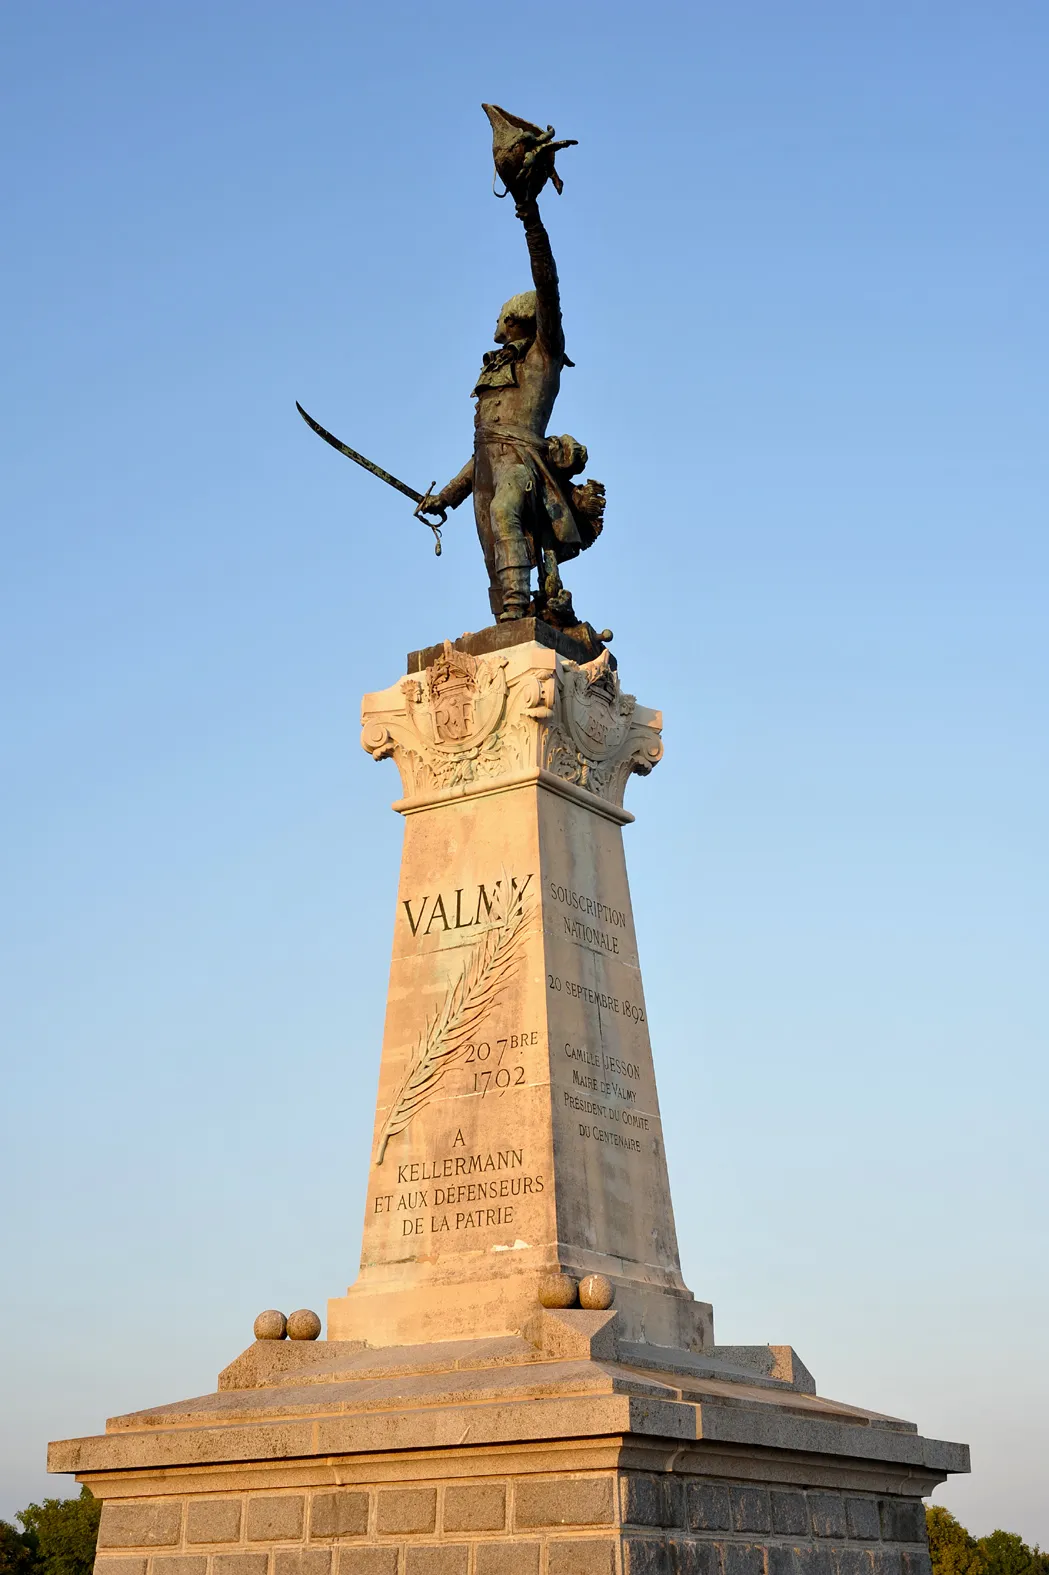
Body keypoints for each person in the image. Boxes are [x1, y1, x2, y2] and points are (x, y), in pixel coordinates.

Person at [418, 119, 604, 626]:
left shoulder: (543, 354)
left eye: (503, 319)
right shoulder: (492, 377)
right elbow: (482, 444)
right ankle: (517, 622)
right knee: (492, 563)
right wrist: (447, 497)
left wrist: (528, 213)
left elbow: (549, 286)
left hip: (524, 464)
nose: (495, 328)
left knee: (506, 514)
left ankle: (518, 616)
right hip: (486, 468)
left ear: (518, 321)